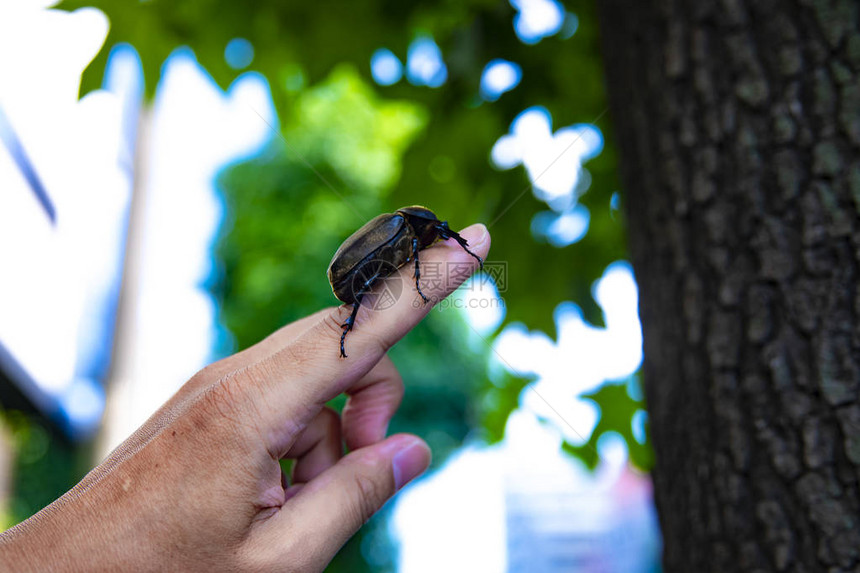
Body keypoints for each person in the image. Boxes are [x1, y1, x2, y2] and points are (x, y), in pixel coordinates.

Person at [0, 224, 490, 572]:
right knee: (372, 283)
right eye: (435, 234)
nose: (437, 237)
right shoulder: (403, 232)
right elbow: (376, 270)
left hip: (350, 277)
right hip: (351, 279)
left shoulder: (407, 231)